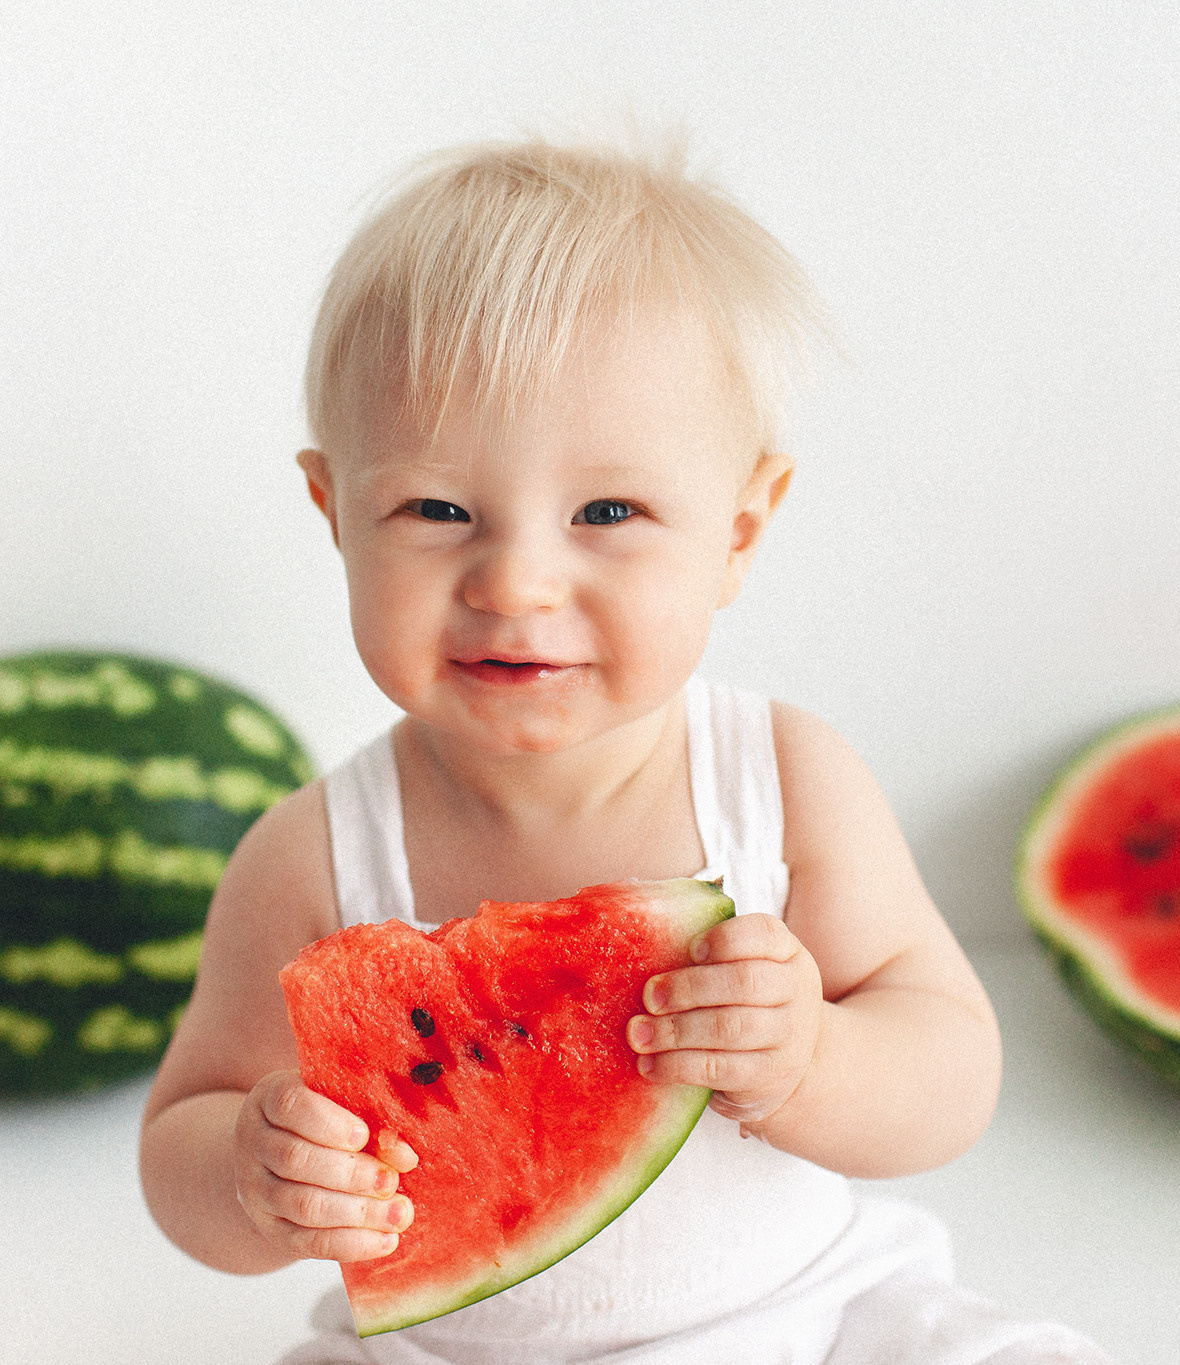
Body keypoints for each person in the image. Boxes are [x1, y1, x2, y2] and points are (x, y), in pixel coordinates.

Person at [139, 136, 1109, 1365]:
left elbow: (951, 1070)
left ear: (740, 531)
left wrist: (815, 1058)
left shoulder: (785, 784)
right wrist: (244, 1175)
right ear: (335, 514)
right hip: (444, 1346)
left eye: (607, 513)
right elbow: (185, 1127)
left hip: (803, 1319)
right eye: (437, 511)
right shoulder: (311, 856)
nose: (517, 581)